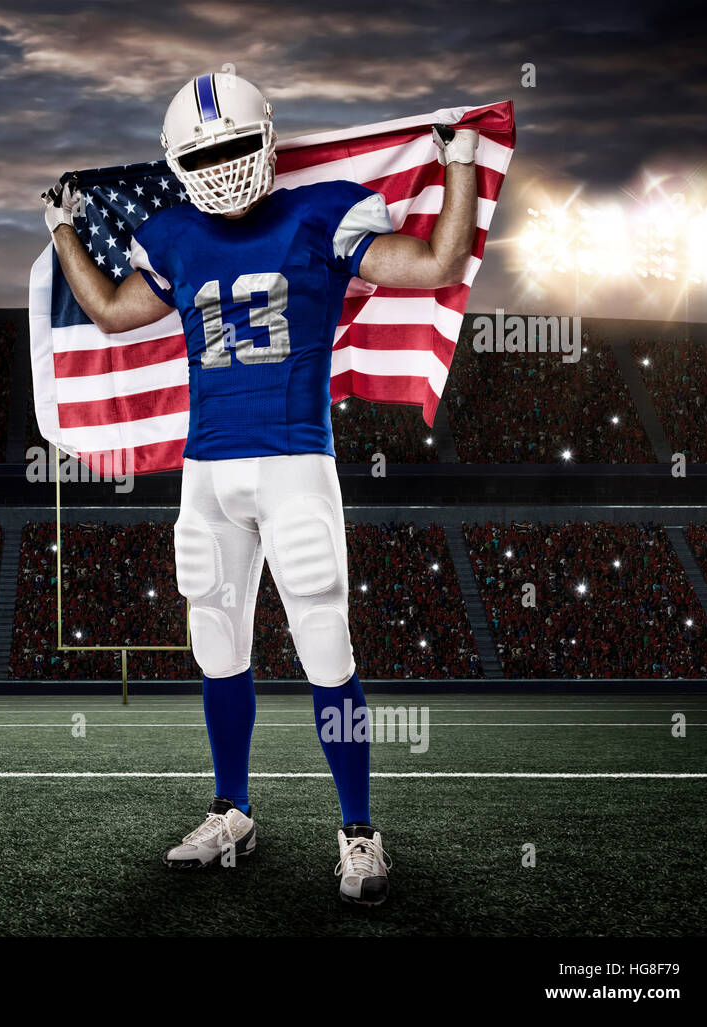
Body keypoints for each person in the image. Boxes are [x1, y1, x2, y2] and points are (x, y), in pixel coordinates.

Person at [42, 72, 478, 906]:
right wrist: (63, 227)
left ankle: (358, 827)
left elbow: (438, 261)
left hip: (293, 464)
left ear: (271, 141)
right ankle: (232, 810)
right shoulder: (172, 235)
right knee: (216, 642)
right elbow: (107, 312)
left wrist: (457, 160)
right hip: (207, 472)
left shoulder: (321, 214)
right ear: (178, 163)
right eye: (206, 154)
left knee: (324, 644)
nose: (226, 165)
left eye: (238, 145)